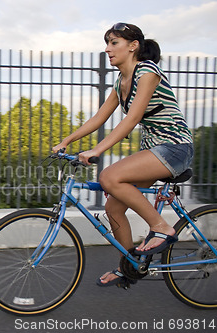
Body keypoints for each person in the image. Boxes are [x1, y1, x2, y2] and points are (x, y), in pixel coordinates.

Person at [52, 23, 193, 287]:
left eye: (113, 42)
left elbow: (133, 118)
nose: (107, 49)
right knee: (113, 207)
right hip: (153, 150)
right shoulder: (120, 82)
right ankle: (130, 268)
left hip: (175, 147)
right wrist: (67, 140)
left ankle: (162, 227)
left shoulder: (147, 71)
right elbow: (99, 118)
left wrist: (97, 150)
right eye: (106, 43)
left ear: (133, 46)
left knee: (109, 177)